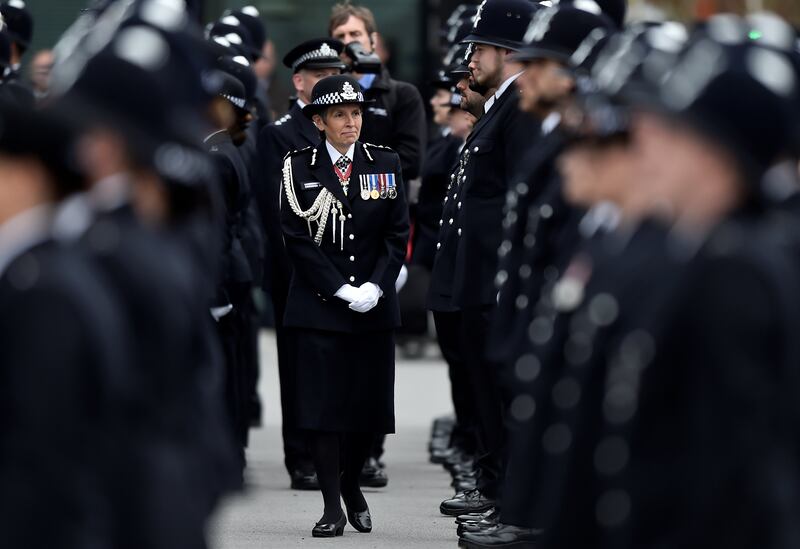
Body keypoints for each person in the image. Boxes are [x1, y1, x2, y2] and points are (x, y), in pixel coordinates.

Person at [280, 74, 408, 537]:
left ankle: (352, 483)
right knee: (322, 409)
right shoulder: (297, 166)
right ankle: (332, 505)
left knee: (366, 409)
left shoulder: (385, 162)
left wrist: (376, 286)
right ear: (319, 121)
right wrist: (339, 290)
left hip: (373, 308)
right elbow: (297, 240)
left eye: (356, 113)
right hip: (319, 307)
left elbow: (396, 235)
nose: (351, 122)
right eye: (339, 114)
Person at [430, 0, 540, 518]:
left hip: (493, 280)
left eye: (479, 48)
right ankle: (496, 490)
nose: (470, 59)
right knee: (484, 394)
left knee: (500, 398)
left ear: (509, 51)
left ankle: (508, 501)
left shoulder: (517, 108)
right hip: (472, 276)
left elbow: (519, 199)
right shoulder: (497, 105)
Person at [256, 37, 346, 491]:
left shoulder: (346, 129)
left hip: (346, 274)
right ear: (299, 81)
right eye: (320, 75)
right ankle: (303, 458)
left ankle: (345, 456)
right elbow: (279, 216)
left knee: (342, 368)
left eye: (336, 73)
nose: (330, 81)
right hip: (298, 274)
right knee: (299, 369)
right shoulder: (280, 135)